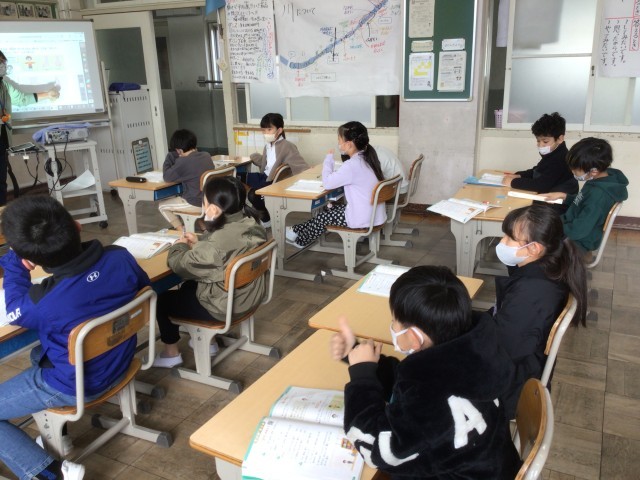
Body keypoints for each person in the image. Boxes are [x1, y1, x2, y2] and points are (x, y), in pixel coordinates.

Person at [0, 195, 150, 480]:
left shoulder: (44, 303)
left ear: (31, 259)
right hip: (121, 360)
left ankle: (48, 473)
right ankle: (59, 434)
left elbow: (14, 309)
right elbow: (140, 290)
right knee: (37, 355)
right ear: (78, 225)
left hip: (78, 384)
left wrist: (14, 263)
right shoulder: (121, 258)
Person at [330, 265, 521, 479]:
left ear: (414, 337)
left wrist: (362, 378)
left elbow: (376, 451)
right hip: (491, 467)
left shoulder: (431, 401)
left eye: (394, 322)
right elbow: (413, 382)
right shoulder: (473, 352)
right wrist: (364, 361)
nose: (392, 327)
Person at [152, 176, 268, 367]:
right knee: (190, 286)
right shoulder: (251, 224)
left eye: (204, 202)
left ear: (213, 208)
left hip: (225, 307)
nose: (202, 207)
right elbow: (226, 245)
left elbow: (179, 265)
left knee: (161, 300)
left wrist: (180, 245)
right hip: (251, 296)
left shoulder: (215, 246)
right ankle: (210, 342)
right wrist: (200, 242)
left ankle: (171, 354)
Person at [492, 204, 587, 418]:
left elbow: (505, 349)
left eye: (509, 238)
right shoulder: (545, 272)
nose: (501, 242)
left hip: (512, 386)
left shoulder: (533, 292)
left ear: (534, 248)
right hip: (522, 367)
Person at [286, 121, 386, 248]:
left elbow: (327, 183)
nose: (338, 143)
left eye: (339, 139)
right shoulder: (367, 159)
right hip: (374, 215)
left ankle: (301, 241)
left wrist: (328, 160)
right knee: (329, 211)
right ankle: (295, 230)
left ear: (349, 144)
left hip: (362, 218)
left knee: (323, 218)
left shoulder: (352, 165)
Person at [545, 137, 629, 253]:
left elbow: (578, 231)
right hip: (572, 225)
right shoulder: (601, 179)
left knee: (537, 240)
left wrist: (552, 228)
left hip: (579, 242)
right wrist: (565, 197)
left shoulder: (598, 195)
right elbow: (584, 201)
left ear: (593, 171)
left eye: (575, 170)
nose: (572, 172)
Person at [0, 50, 60, 205]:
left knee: (1, 182)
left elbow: (21, 99)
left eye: (3, 62)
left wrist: (47, 95)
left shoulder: (4, 84)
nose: (2, 65)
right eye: (0, 62)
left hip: (2, 139)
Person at [248, 112, 308, 227]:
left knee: (253, 194)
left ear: (279, 130)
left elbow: (299, 164)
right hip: (264, 176)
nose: (266, 133)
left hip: (272, 181)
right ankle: (247, 214)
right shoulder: (268, 145)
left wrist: (310, 172)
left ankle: (266, 219)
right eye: (264, 130)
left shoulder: (287, 146)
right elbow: (266, 163)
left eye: (269, 129)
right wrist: (254, 156)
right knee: (237, 177)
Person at [503, 112, 577, 201]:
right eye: (538, 141)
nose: (540, 145)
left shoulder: (561, 159)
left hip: (554, 205)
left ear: (560, 139)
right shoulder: (553, 153)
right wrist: (518, 175)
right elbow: (537, 171)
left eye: (545, 141)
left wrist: (513, 182)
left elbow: (541, 185)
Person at [158, 129, 215, 230]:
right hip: (210, 200)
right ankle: (204, 228)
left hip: (195, 203)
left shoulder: (183, 162)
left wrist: (169, 157)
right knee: (188, 193)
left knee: (162, 206)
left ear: (179, 150)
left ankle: (182, 231)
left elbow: (167, 177)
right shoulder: (206, 155)